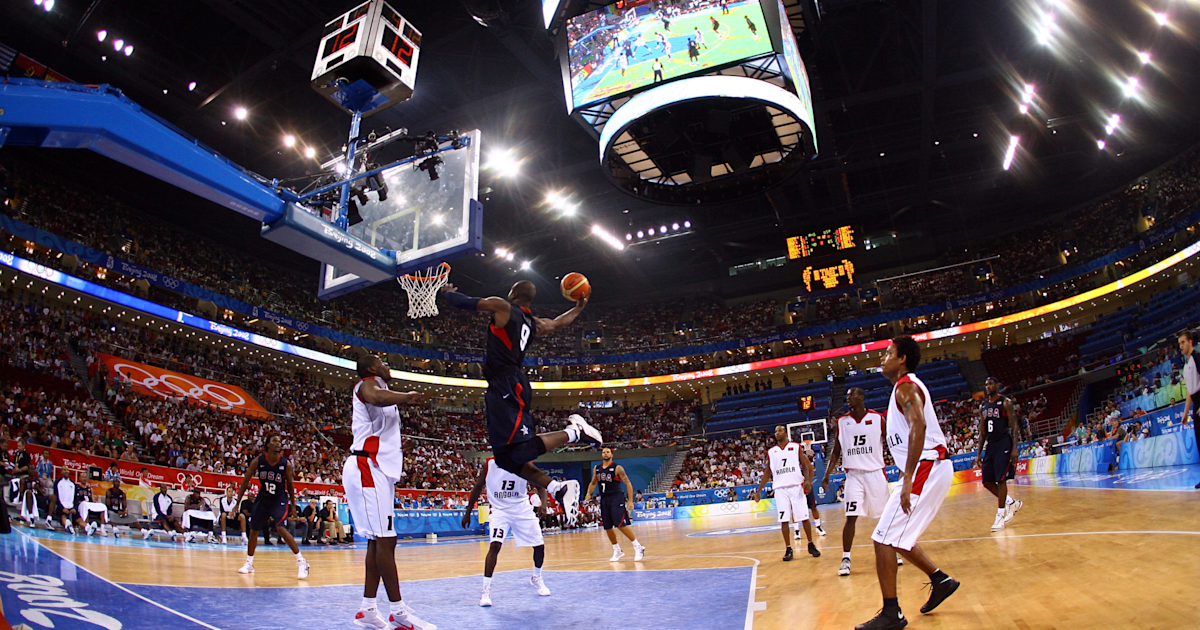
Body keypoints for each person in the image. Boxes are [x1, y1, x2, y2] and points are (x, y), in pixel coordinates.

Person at [439, 281, 601, 526]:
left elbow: (466, 303)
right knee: (505, 459)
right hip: (503, 385)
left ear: (513, 293)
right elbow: (558, 322)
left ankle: (574, 432)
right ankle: (558, 489)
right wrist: (579, 307)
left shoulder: (503, 307)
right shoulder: (533, 323)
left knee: (518, 450)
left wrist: (448, 293)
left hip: (507, 384)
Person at [856, 336, 959, 630]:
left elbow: (919, 425)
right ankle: (941, 580)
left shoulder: (906, 387)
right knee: (897, 538)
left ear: (902, 359)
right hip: (927, 468)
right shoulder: (902, 389)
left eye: (888, 353)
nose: (882, 357)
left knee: (882, 539)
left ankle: (892, 613)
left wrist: (909, 477)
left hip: (927, 467)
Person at [343, 355, 434, 630]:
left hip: (376, 468)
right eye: (382, 362)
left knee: (377, 540)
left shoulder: (380, 388)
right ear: (371, 368)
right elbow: (377, 397)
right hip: (366, 466)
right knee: (386, 540)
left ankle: (368, 609)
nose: (387, 365)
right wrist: (407, 396)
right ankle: (399, 614)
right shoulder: (367, 384)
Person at [462, 457, 552, 608]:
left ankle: (537, 577)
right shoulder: (490, 464)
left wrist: (544, 503)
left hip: (522, 509)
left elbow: (540, 485)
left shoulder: (525, 463)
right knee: (495, 546)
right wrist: (468, 511)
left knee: (539, 545)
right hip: (500, 511)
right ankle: (485, 590)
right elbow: (478, 487)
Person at [822, 387, 890, 576]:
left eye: (852, 396)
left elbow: (891, 442)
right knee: (850, 517)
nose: (848, 399)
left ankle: (892, 549)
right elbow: (836, 450)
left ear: (861, 397)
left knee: (884, 516)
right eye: (847, 397)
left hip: (875, 473)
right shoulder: (842, 422)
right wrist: (827, 474)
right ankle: (846, 558)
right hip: (853, 476)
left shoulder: (878, 419)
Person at [233, 435, 309, 580]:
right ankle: (249, 563)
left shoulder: (285, 464)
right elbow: (245, 481)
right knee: (254, 530)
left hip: (279, 498)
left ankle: (302, 561)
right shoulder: (259, 461)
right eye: (274, 441)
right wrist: (237, 502)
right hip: (263, 497)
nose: (278, 443)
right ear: (267, 445)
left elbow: (291, 486)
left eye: (279, 441)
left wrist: (293, 505)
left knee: (280, 528)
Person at [752, 426, 819, 561]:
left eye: (780, 431)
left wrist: (807, 480)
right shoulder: (772, 451)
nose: (777, 433)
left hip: (796, 486)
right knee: (784, 520)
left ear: (786, 433)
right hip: (780, 489)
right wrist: (759, 491)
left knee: (804, 517)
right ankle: (788, 548)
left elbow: (805, 465)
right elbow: (767, 473)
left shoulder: (795, 447)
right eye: (776, 431)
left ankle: (811, 544)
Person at [973, 377, 1023, 531]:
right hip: (991, 445)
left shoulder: (1005, 402)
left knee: (1001, 480)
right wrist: (979, 452)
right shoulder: (984, 406)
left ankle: (1000, 516)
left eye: (990, 384)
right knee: (987, 481)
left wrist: (1015, 448)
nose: (988, 386)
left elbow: (1014, 426)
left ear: (997, 386)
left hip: (1004, 443)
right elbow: (982, 431)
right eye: (986, 384)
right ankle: (1011, 503)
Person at [584, 447, 645, 562]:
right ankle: (617, 550)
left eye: (607, 452)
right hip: (604, 499)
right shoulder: (597, 469)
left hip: (616, 497)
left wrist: (630, 500)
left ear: (612, 455)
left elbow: (628, 483)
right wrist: (588, 493)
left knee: (620, 524)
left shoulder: (617, 468)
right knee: (607, 526)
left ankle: (638, 546)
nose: (605, 454)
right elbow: (593, 482)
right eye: (603, 452)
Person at [1179, 330, 1200, 489]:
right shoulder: (1185, 366)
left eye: (1183, 342)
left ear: (1190, 342)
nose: (1181, 346)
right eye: (1179, 344)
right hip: (1195, 404)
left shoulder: (1198, 358)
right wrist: (1185, 414)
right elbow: (1189, 392)